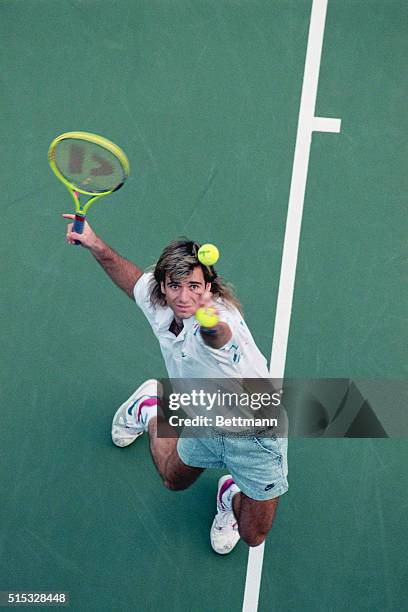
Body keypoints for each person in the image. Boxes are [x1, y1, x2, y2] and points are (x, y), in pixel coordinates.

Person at [63, 214, 288, 554]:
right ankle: (152, 405)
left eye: (194, 287)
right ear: (163, 288)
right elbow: (132, 279)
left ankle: (231, 491)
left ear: (208, 288)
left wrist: (209, 322)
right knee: (173, 479)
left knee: (253, 535)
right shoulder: (162, 305)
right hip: (204, 418)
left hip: (253, 437)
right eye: (175, 286)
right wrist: (95, 244)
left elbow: (219, 338)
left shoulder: (220, 324)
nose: (184, 297)